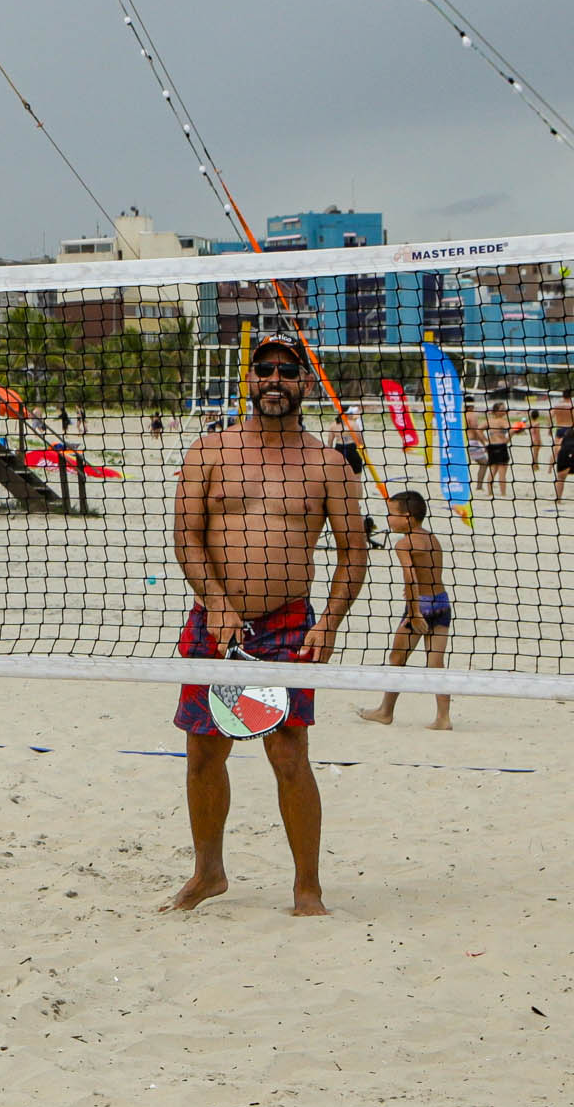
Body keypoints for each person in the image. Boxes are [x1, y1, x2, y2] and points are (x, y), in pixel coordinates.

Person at [167, 336, 370, 917]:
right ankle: (208, 874)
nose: (275, 379)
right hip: (215, 622)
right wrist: (217, 603)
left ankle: (308, 888)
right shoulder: (209, 451)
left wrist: (328, 624)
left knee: (288, 754)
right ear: (249, 381)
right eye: (265, 370)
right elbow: (188, 537)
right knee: (205, 754)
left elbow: (353, 551)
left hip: (288, 627)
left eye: (287, 371)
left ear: (304, 384)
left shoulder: (327, 463)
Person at [357, 488, 453, 731]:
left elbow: (410, 579)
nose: (388, 519)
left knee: (397, 658)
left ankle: (385, 711)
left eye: (392, 514)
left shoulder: (404, 544)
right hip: (442, 602)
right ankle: (443, 718)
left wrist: (413, 613)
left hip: (420, 605)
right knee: (436, 665)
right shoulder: (432, 538)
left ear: (408, 517)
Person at [479, 405, 513, 498]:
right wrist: (508, 439)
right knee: (502, 472)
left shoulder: (489, 421)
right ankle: (503, 493)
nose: (504, 411)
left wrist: (485, 441)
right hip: (501, 446)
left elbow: (479, 429)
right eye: (502, 409)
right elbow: (512, 429)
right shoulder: (502, 421)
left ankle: (490, 493)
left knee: (492, 470)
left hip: (491, 446)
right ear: (496, 411)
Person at [552, 394, 574, 503]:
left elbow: (550, 416)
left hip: (559, 428)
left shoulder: (557, 405)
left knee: (558, 447)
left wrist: (548, 428)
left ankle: (558, 499)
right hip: (570, 428)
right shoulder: (571, 406)